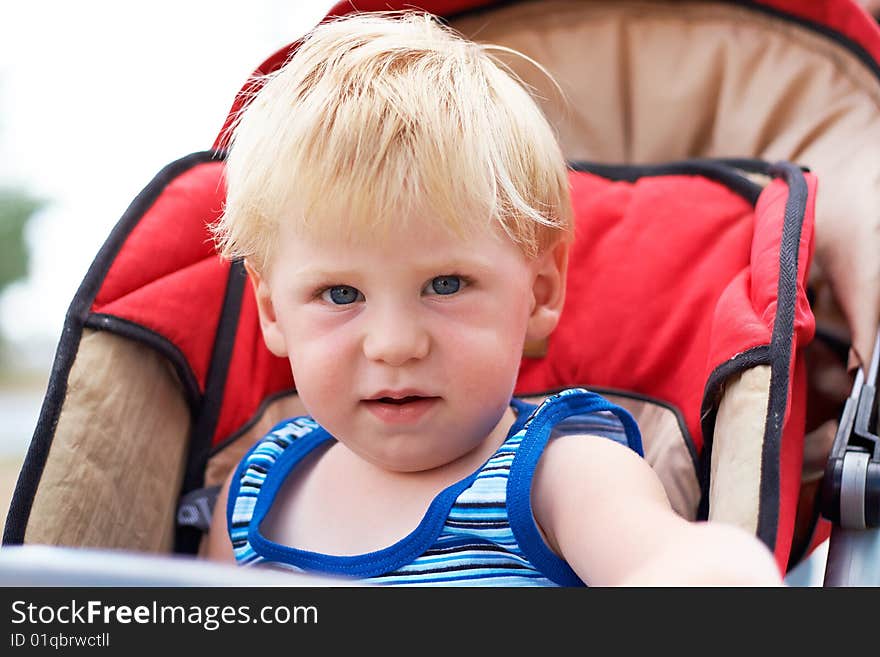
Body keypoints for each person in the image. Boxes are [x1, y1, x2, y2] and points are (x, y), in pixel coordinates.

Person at [205, 11, 782, 586]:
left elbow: (676, 564)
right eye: (340, 293)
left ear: (540, 290)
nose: (395, 344)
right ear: (273, 310)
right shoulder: (253, 493)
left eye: (446, 285)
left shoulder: (562, 478)